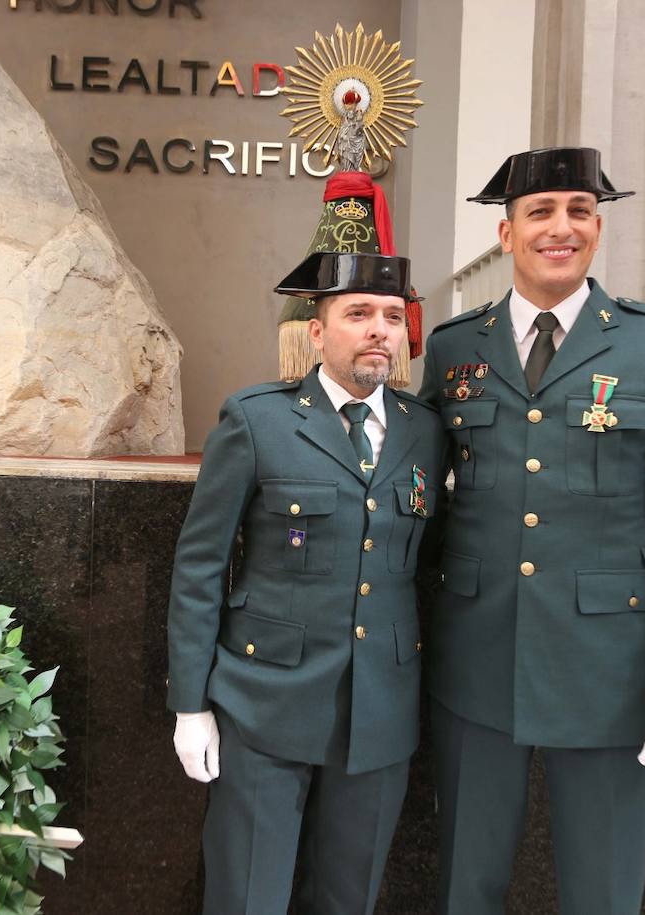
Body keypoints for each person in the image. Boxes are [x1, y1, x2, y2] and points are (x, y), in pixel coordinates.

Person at [419, 146, 645, 914]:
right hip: (475, 663)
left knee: (602, 892)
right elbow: (419, 504)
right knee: (466, 886)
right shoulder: (455, 346)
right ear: (506, 234)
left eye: (580, 211)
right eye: (540, 212)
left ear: (597, 227)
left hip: (608, 674)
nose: (560, 228)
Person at [167, 249, 444, 914]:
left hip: (380, 711)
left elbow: (429, 565)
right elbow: (201, 565)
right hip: (266, 703)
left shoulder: (426, 431)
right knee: (247, 897)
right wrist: (189, 703)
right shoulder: (258, 419)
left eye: (390, 314)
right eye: (357, 313)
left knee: (348, 899)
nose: (379, 327)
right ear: (317, 332)